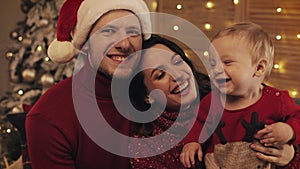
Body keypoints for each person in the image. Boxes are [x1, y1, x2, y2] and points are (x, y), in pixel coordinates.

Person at [25, 0, 151, 168]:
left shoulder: (156, 91)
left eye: (133, 32)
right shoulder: (50, 116)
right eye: (108, 31)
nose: (124, 44)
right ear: (85, 44)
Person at [180, 22, 300, 168]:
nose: (216, 69)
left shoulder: (277, 100)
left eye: (227, 62)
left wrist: (289, 131)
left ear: (259, 68)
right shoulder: (212, 101)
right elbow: (198, 122)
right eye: (212, 64)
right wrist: (192, 141)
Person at [128, 35, 211, 169]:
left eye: (177, 62)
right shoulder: (145, 147)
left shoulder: (226, 97)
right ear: (147, 96)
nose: (177, 75)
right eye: (161, 75)